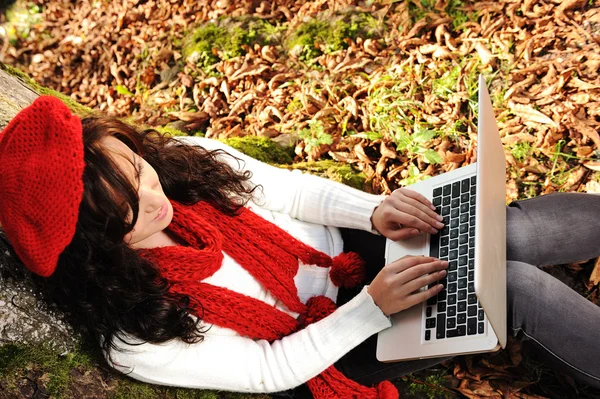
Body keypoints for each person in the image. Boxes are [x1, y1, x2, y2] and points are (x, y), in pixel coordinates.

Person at [0, 96, 598, 398]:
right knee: (507, 288)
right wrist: (372, 310)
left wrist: (372, 209)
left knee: (503, 234)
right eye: (127, 215)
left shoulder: (178, 162)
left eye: (137, 171)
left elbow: (288, 190)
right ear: (91, 245)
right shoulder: (136, 334)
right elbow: (267, 371)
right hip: (336, 342)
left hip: (354, 251)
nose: (155, 200)